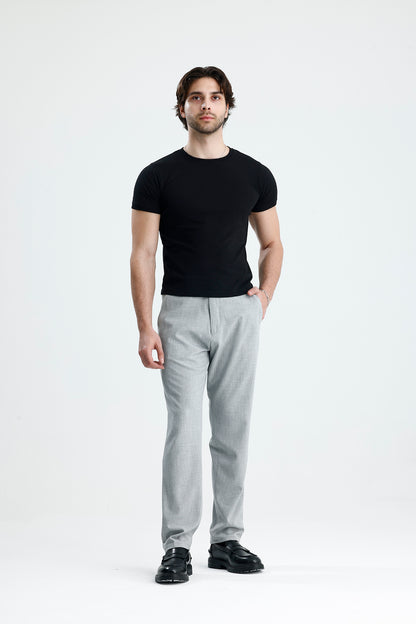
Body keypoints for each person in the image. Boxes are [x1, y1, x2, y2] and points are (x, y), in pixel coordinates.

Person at [130, 66, 284, 584]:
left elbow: (272, 243)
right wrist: (145, 326)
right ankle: (177, 546)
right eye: (196, 98)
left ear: (227, 106)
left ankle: (227, 540)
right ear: (182, 108)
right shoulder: (157, 176)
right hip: (180, 314)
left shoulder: (254, 174)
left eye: (215, 97)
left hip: (239, 312)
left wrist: (264, 296)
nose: (206, 106)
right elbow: (142, 252)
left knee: (233, 428)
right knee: (184, 430)